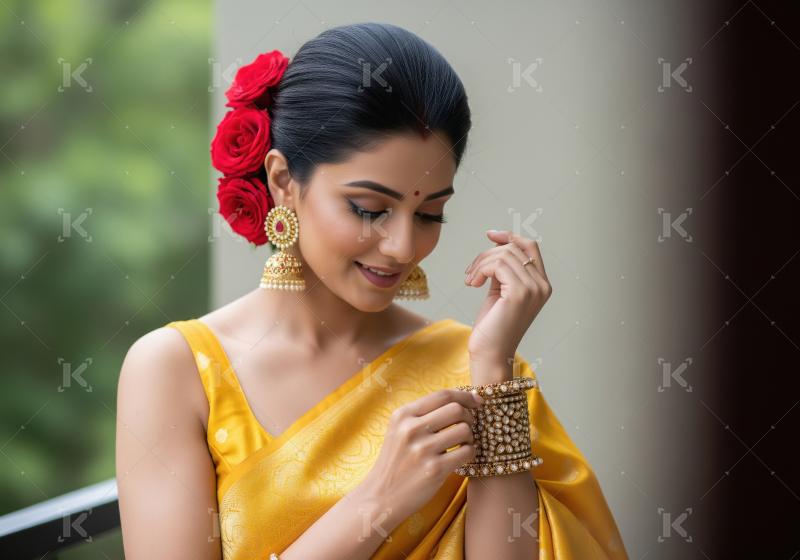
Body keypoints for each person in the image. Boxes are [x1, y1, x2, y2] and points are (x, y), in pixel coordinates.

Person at [115, 22, 628, 560]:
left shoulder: (480, 368)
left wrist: (493, 368)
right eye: (369, 209)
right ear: (284, 182)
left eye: (430, 214)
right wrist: (379, 500)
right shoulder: (177, 370)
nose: (403, 247)